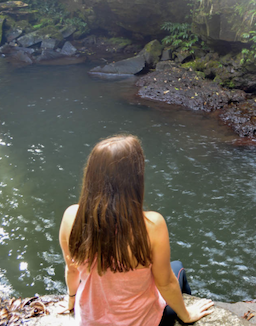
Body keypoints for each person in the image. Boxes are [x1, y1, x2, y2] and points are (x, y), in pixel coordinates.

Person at [58, 134, 214, 325]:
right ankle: (183, 318)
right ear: (135, 179)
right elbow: (165, 283)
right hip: (141, 322)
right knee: (177, 268)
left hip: (90, 321)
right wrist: (187, 316)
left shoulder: (71, 217)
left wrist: (71, 300)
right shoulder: (151, 225)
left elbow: (71, 270)